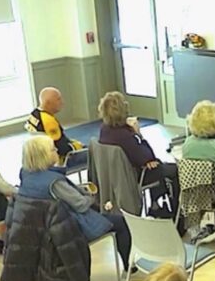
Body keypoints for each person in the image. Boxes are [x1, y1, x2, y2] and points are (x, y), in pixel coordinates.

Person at [15, 136, 131, 265]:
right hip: (68, 228)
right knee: (121, 222)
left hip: (42, 229)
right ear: (44, 156)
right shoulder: (55, 182)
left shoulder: (26, 174)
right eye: (53, 149)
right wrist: (91, 197)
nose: (57, 150)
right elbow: (81, 205)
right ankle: (129, 267)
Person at [98, 91, 179, 214]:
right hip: (133, 176)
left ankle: (156, 205)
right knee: (173, 170)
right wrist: (138, 134)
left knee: (156, 165)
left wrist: (148, 160)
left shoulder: (104, 130)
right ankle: (176, 213)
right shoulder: (125, 136)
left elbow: (146, 158)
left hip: (114, 175)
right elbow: (148, 156)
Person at [26, 87, 82, 160]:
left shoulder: (33, 114)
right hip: (60, 159)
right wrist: (77, 146)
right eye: (58, 99)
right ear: (48, 103)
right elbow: (62, 149)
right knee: (92, 152)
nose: (62, 102)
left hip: (40, 156)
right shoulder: (49, 122)